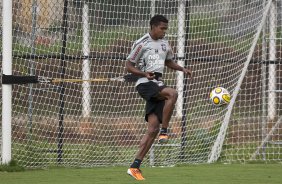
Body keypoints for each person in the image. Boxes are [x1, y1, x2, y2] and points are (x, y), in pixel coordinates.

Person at [126, 15, 192, 180]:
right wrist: (143, 73)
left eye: (166, 29)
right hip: (144, 83)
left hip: (157, 84)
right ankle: (165, 131)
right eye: (162, 28)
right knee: (173, 93)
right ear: (153, 27)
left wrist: (182, 69)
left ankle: (135, 166)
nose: (164, 31)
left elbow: (169, 62)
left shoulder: (164, 44)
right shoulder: (141, 43)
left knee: (151, 129)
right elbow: (128, 66)